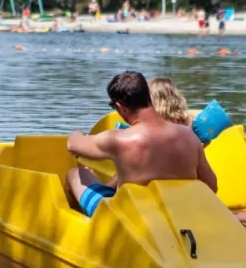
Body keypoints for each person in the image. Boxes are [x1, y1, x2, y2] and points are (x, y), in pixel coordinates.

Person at [63, 71, 218, 217]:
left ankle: (90, 234)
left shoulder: (118, 139)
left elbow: (73, 144)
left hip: (131, 218)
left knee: (76, 174)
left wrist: (79, 133)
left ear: (120, 107)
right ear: (149, 98)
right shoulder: (189, 136)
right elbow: (212, 186)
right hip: (178, 215)